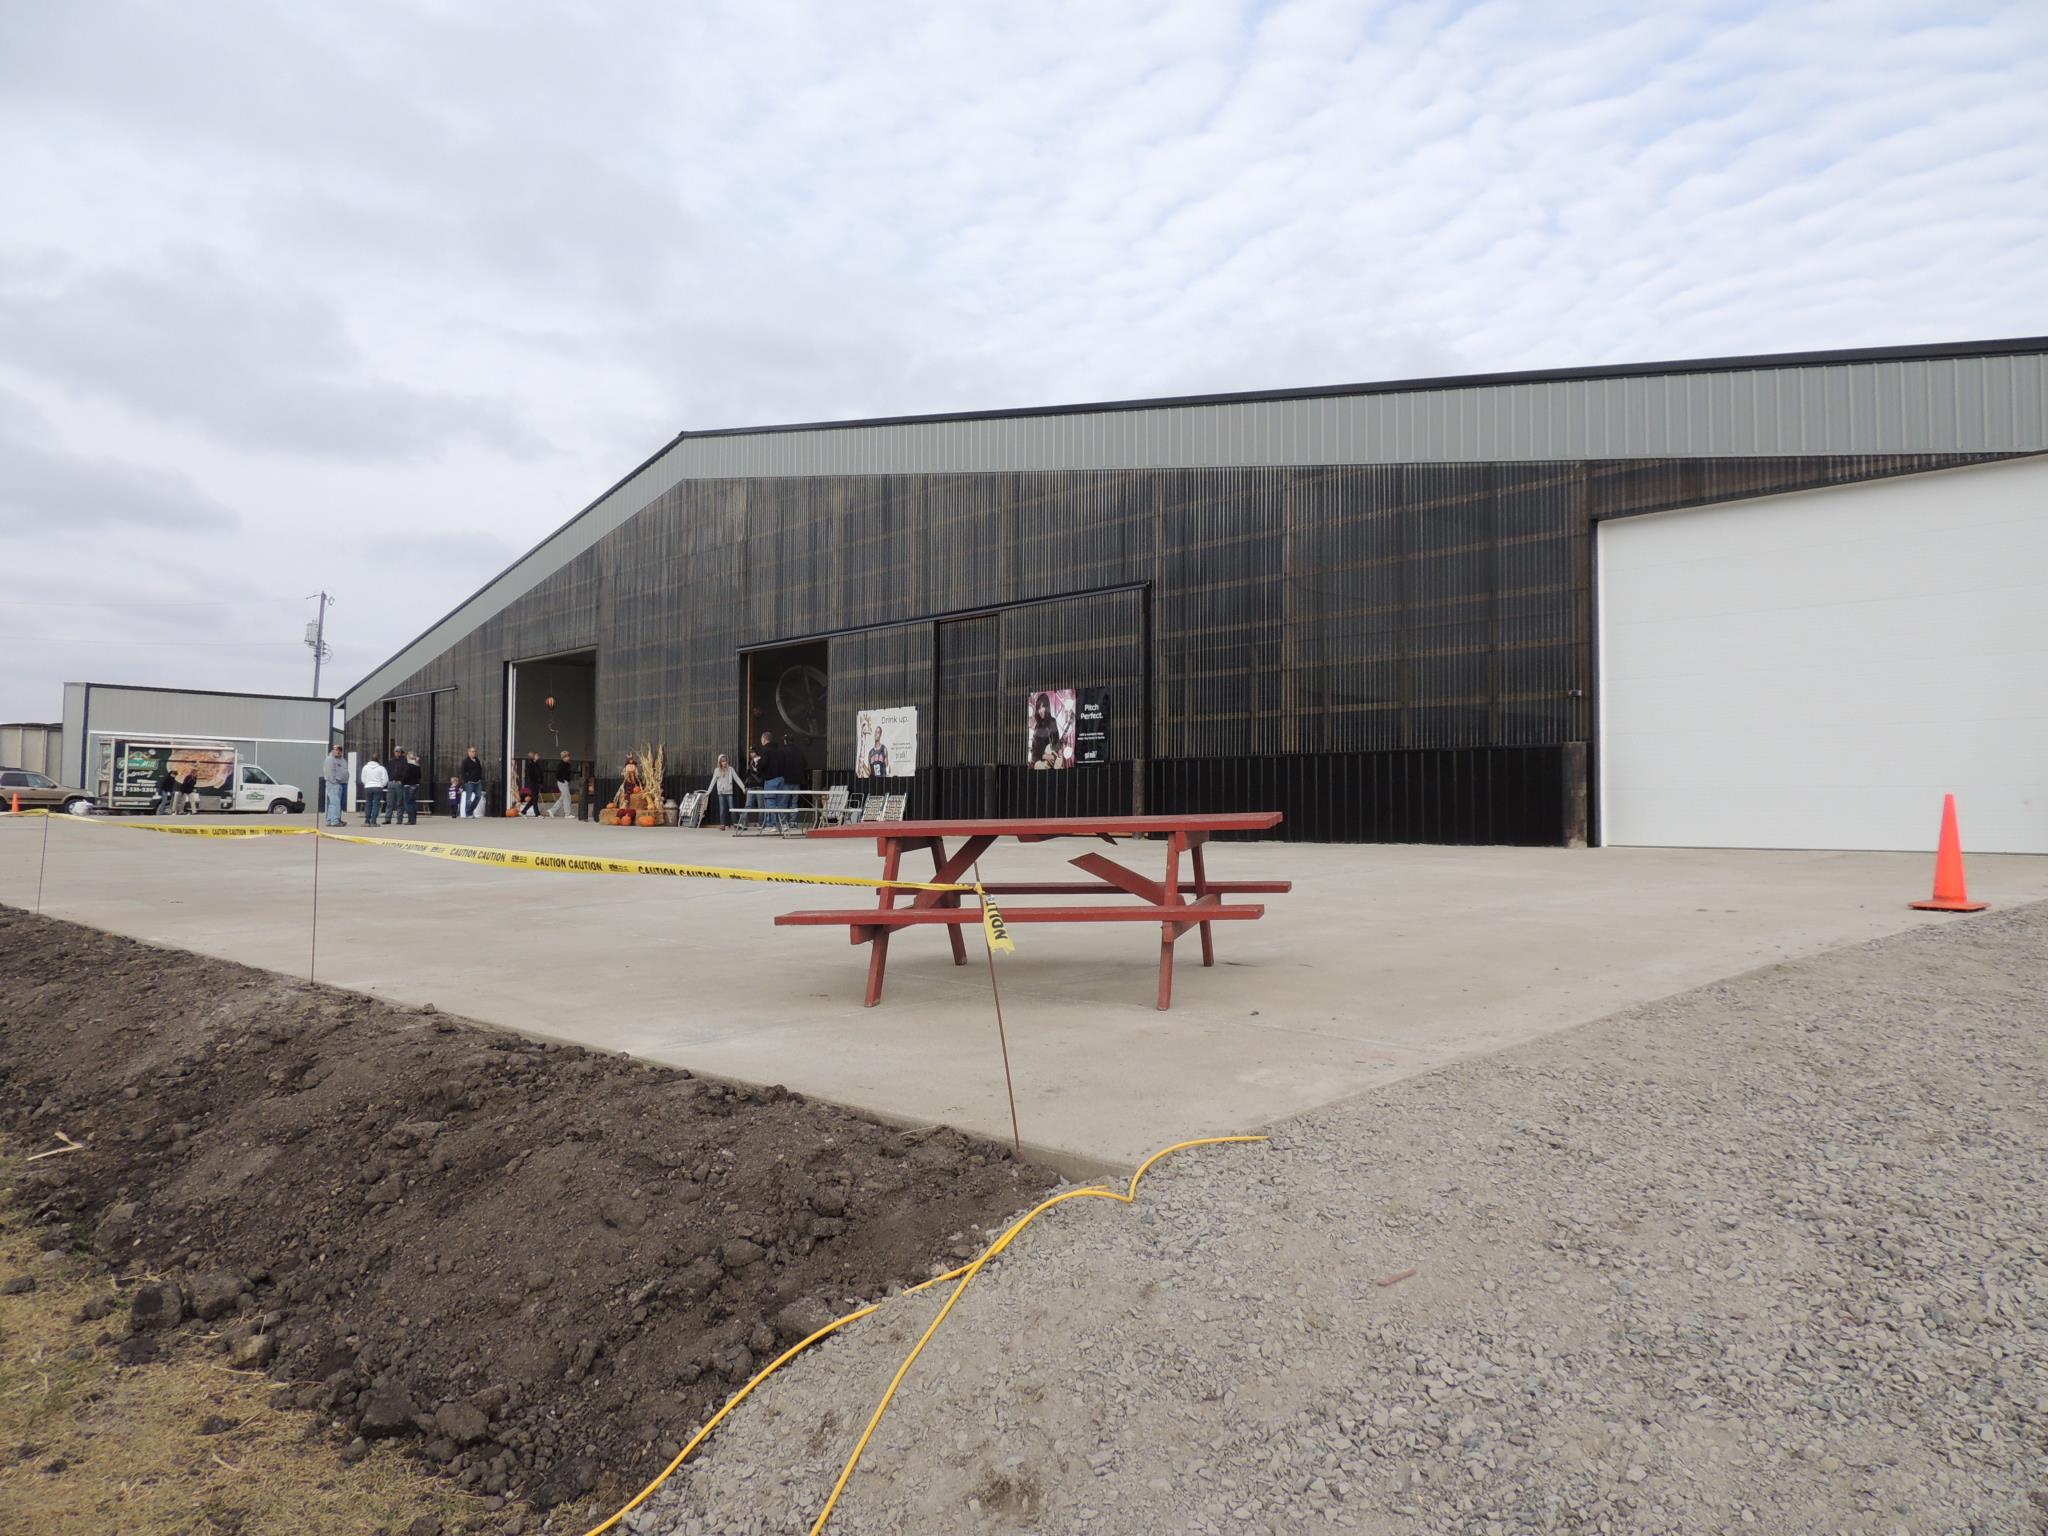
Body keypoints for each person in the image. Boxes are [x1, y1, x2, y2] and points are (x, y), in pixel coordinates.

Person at [756, 730, 786, 828]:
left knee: (770, 801)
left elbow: (763, 763)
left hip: (770, 779)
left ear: (764, 739)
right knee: (781, 802)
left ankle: (772, 824)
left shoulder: (765, 750)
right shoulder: (780, 750)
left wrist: (757, 765)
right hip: (781, 778)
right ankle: (782, 824)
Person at [705, 753, 743, 828]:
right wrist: (708, 792)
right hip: (721, 793)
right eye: (722, 761)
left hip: (729, 792)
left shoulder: (730, 769)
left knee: (732, 809)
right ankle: (722, 824)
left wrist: (743, 787)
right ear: (719, 762)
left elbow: (737, 779)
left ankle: (735, 824)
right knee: (722, 809)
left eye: (725, 760)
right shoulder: (717, 770)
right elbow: (713, 782)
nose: (724, 762)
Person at [359, 753, 389, 826]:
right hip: (377, 787)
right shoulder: (381, 768)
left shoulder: (365, 767)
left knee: (368, 804)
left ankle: (367, 821)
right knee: (376, 804)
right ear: (379, 759)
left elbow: (363, 778)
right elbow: (385, 779)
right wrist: (382, 785)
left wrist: (366, 783)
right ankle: (373, 821)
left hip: (368, 787)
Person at [322, 746, 348, 826]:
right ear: (332, 750)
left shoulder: (342, 760)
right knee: (335, 802)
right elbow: (329, 772)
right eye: (336, 750)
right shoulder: (330, 759)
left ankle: (331, 819)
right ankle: (335, 821)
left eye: (340, 750)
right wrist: (334, 781)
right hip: (333, 784)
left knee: (335, 802)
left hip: (341, 783)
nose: (338, 752)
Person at [458, 747, 485, 817]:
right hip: (469, 783)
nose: (473, 753)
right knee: (468, 799)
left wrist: (480, 778)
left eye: (474, 751)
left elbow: (480, 770)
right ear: (468, 753)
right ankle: (468, 813)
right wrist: (466, 780)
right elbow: (462, 772)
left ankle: (470, 811)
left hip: (478, 782)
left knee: (478, 796)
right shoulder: (465, 761)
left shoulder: (477, 760)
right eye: (471, 751)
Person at [397, 751, 422, 825]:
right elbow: (420, 776)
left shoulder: (409, 765)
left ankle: (410, 820)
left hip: (408, 786)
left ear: (408, 757)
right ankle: (414, 819)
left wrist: (401, 782)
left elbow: (406, 775)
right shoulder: (417, 765)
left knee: (408, 803)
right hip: (416, 785)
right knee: (413, 802)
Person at [551, 752, 575, 818]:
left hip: (565, 782)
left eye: (568, 756)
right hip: (562, 782)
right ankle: (567, 814)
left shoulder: (567, 764)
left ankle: (552, 810)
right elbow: (557, 774)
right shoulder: (561, 765)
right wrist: (563, 780)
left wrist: (567, 780)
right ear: (563, 757)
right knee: (567, 798)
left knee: (563, 797)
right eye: (566, 756)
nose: (568, 757)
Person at [521, 751, 545, 816]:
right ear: (533, 756)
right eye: (537, 755)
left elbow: (540, 774)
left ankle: (523, 811)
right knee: (535, 799)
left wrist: (541, 782)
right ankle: (537, 814)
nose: (538, 756)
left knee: (534, 798)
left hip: (537, 783)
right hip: (533, 783)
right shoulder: (530, 765)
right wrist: (536, 781)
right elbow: (530, 775)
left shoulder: (537, 764)